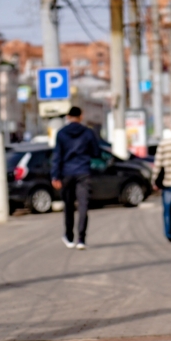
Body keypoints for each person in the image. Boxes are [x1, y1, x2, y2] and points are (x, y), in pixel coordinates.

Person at [51, 106, 101, 250]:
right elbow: (96, 152)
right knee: (83, 205)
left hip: (66, 173)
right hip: (83, 172)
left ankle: (68, 236)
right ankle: (81, 239)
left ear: (67, 117)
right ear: (81, 116)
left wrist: (55, 175)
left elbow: (57, 156)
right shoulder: (88, 133)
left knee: (68, 205)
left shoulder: (61, 133)